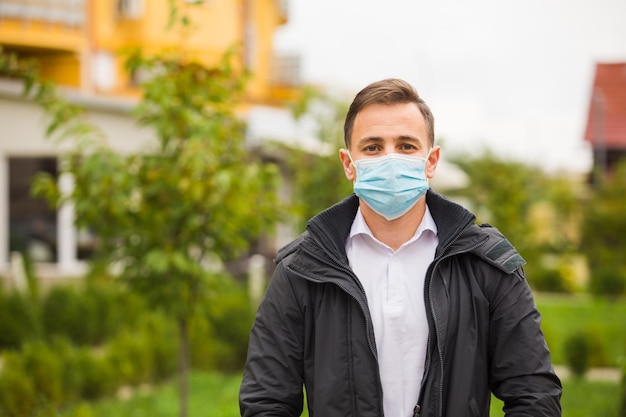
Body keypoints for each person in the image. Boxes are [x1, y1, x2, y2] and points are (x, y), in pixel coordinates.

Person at [239, 78, 562, 417]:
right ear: (349, 164)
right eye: (373, 147)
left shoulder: (486, 264)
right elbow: (266, 401)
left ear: (431, 161)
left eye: (406, 146)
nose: (390, 159)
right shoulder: (302, 269)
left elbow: (534, 395)